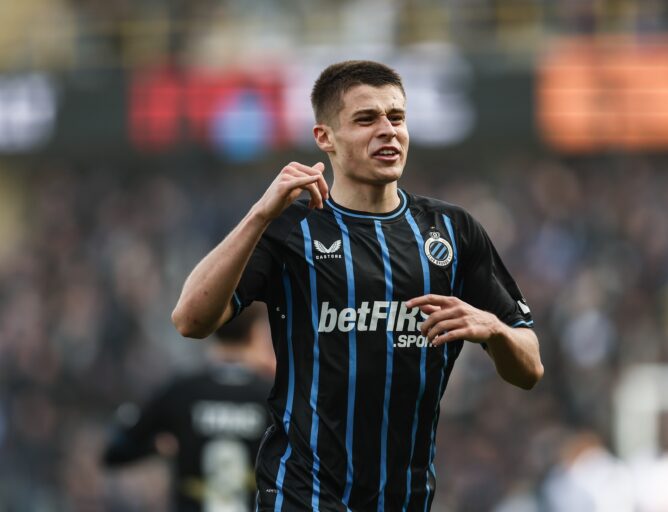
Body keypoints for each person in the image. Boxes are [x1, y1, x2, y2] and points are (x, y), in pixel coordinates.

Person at [172, 60, 544, 512]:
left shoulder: (452, 230)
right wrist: (260, 214)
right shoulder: (292, 229)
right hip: (302, 492)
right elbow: (190, 319)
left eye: (397, 118)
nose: (388, 130)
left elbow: (529, 368)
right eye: (366, 119)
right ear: (325, 137)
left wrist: (496, 329)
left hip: (405, 498)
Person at [103, 304, 275, 512]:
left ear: (209, 325)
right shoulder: (272, 397)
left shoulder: (181, 392)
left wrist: (157, 447)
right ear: (255, 332)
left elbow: (115, 451)